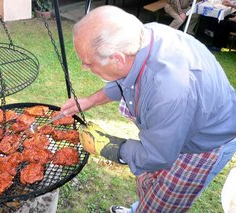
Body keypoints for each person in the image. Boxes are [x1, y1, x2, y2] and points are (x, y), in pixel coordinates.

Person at [60, 5, 236, 213]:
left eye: (87, 62)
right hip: (175, 123)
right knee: (148, 183)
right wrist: (89, 100)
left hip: (203, 142)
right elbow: (124, 79)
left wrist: (108, 147)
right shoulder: (141, 37)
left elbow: (157, 156)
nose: (84, 67)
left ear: (117, 59)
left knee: (161, 205)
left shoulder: (171, 91)